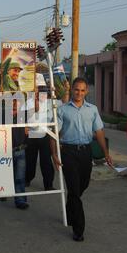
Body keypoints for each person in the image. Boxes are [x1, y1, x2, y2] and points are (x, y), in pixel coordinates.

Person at [51, 77, 112, 242]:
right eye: (76, 89)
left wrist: (106, 152)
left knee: (82, 185)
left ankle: (70, 208)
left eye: (82, 90)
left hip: (86, 151)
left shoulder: (92, 109)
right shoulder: (62, 110)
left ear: (87, 91)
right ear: (72, 90)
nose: (79, 93)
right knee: (74, 189)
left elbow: (98, 131)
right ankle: (79, 229)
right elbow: (54, 133)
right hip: (68, 152)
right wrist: (54, 154)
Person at [25, 76, 55, 191]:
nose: (39, 91)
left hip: (45, 134)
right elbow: (23, 117)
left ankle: (48, 184)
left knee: (46, 161)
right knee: (30, 160)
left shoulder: (50, 103)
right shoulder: (28, 102)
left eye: (42, 89)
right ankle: (27, 179)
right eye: (37, 89)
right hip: (31, 135)